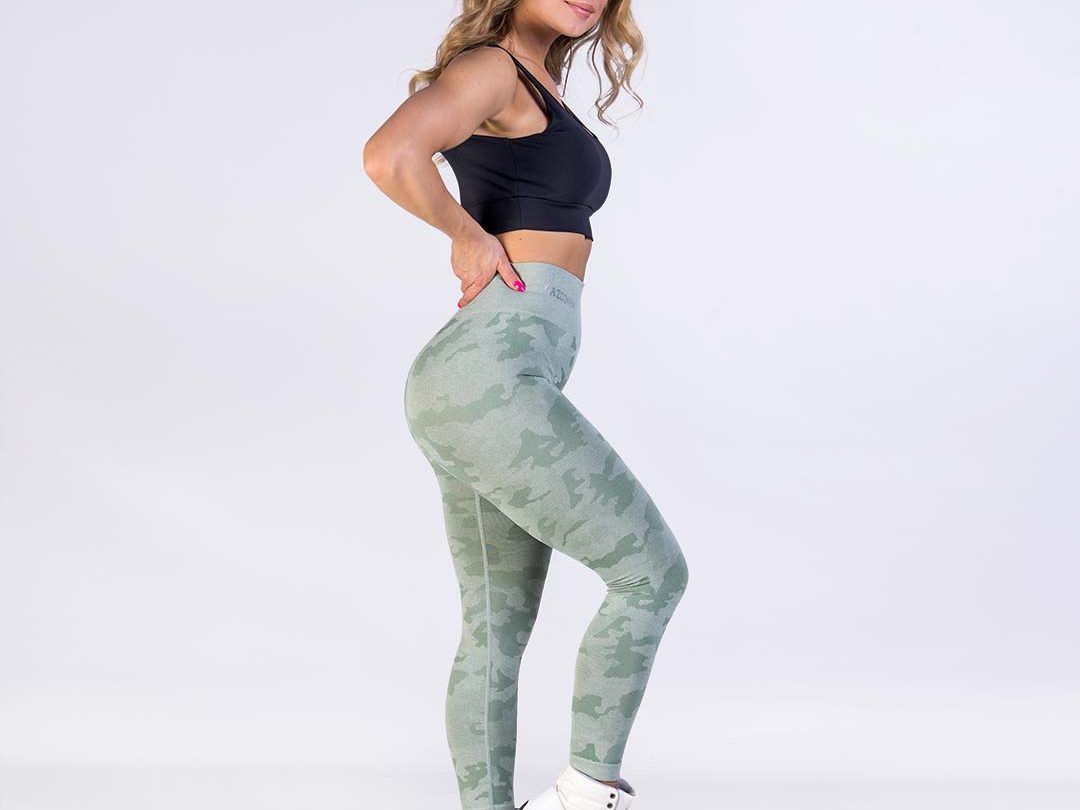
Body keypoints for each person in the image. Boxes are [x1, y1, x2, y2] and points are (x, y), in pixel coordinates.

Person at [364, 3, 688, 808]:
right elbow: (389, 154)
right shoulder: (492, 67)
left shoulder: (532, 80)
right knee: (650, 573)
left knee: (495, 630)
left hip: (473, 383)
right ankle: (587, 792)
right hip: (488, 378)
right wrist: (466, 234)